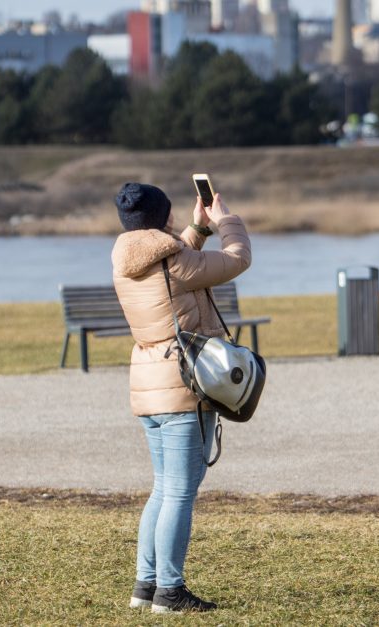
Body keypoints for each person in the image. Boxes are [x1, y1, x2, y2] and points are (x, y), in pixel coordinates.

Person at [110, 182, 251, 613]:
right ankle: (169, 592)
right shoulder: (174, 261)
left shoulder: (126, 258)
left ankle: (146, 585)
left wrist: (197, 227)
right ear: (162, 217)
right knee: (178, 494)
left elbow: (175, 263)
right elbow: (238, 259)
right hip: (184, 388)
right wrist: (225, 219)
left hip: (150, 387)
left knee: (164, 489)